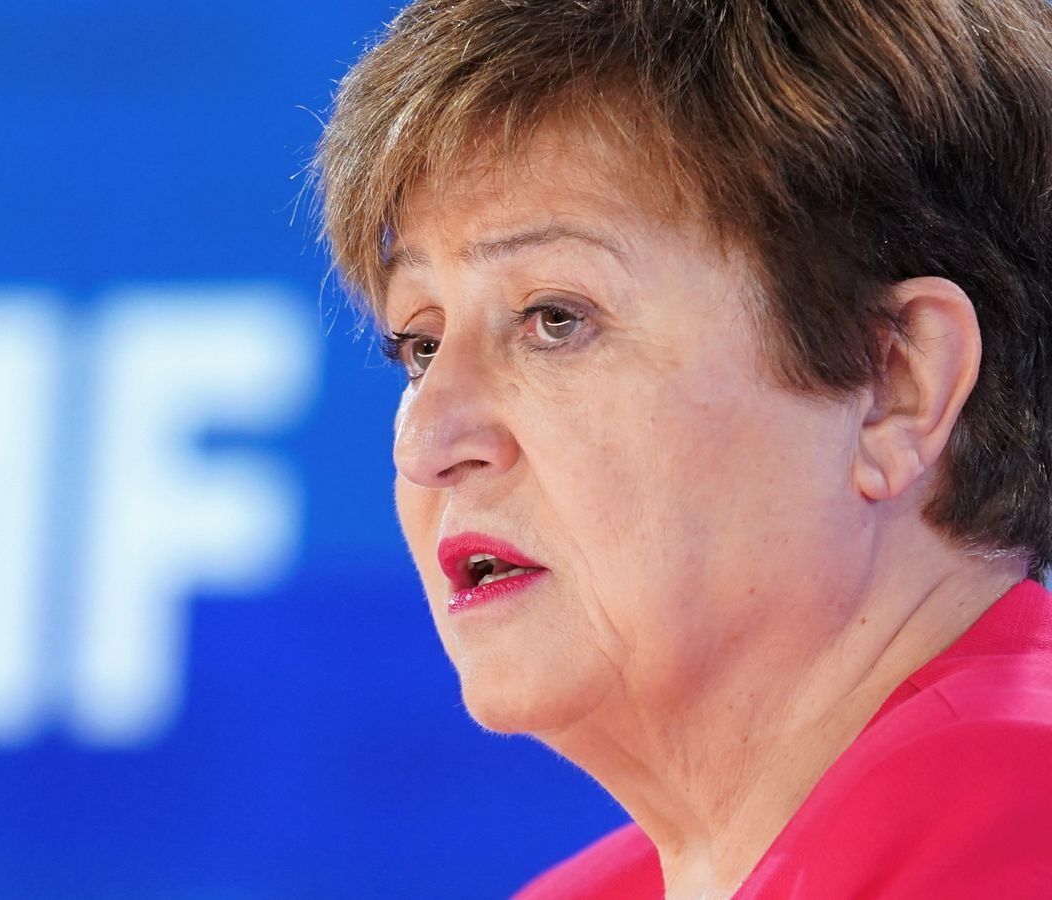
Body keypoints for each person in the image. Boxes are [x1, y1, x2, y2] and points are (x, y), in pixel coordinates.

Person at [314, 1, 1052, 896]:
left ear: (894, 385)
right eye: (420, 346)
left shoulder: (1016, 822)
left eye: (555, 319)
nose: (428, 443)